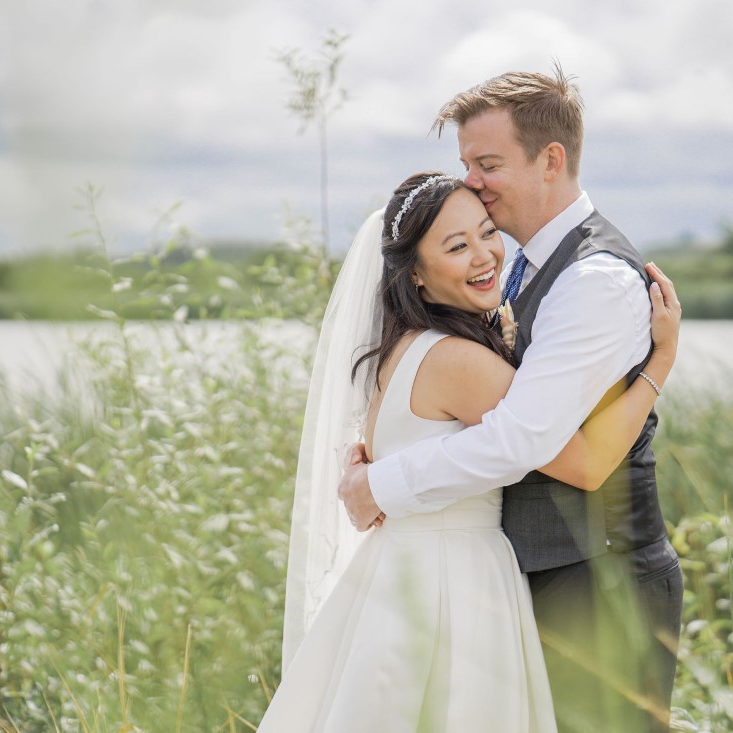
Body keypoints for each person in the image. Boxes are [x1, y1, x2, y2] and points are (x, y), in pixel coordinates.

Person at [261, 172, 679, 731]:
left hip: (399, 575)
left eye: (487, 232)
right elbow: (584, 462)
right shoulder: (460, 362)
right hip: (453, 585)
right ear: (415, 271)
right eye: (457, 246)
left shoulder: (401, 347)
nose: (485, 255)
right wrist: (659, 364)